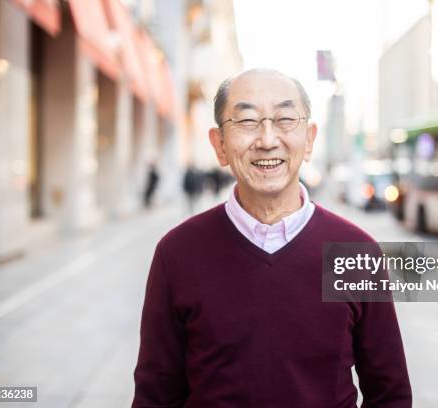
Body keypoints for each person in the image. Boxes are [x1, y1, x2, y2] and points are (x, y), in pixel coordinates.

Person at [132, 69, 412, 407]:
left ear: (309, 140)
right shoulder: (176, 254)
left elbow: (390, 394)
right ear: (219, 145)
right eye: (247, 121)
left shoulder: (356, 253)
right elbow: (155, 396)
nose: (267, 139)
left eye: (284, 119)